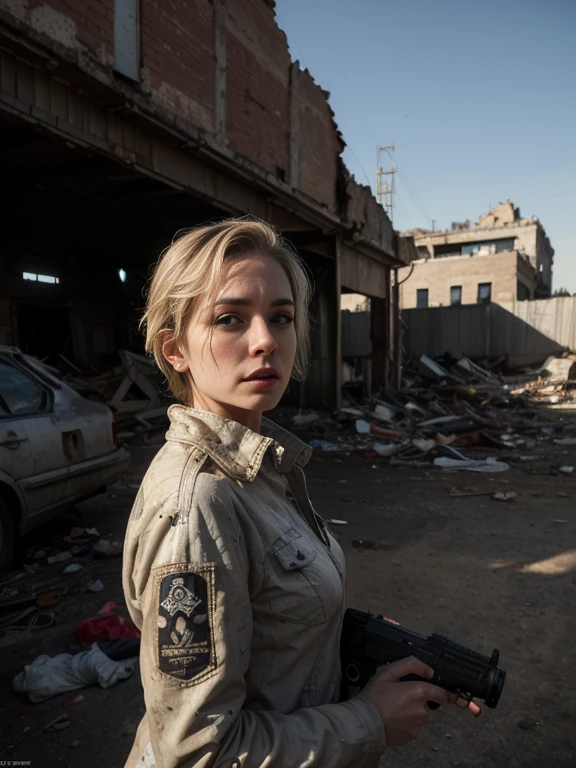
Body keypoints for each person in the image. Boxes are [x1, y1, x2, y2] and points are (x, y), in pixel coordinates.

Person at [122, 218, 481, 768]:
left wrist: (338, 631)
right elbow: (198, 754)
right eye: (229, 319)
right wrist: (370, 722)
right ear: (174, 349)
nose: (265, 340)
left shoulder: (263, 467)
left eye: (281, 317)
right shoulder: (198, 504)